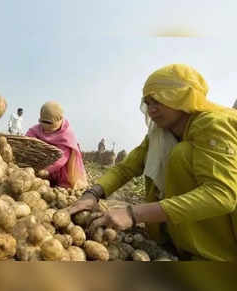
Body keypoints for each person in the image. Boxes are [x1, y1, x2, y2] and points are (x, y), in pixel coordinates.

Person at [67, 64, 237, 261]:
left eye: (158, 101)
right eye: (147, 103)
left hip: (226, 228)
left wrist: (133, 213)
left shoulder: (214, 124)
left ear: (181, 97)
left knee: (181, 154)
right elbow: (126, 168)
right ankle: (182, 245)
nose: (151, 109)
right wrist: (92, 194)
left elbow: (222, 195)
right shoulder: (160, 133)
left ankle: (214, 256)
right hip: (190, 226)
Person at [26, 101, 88, 189]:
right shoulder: (37, 129)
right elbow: (29, 134)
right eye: (43, 123)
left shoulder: (67, 134)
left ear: (59, 120)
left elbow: (61, 158)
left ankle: (58, 181)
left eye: (50, 124)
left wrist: (47, 171)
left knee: (65, 180)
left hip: (60, 166)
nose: (46, 129)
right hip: (43, 163)